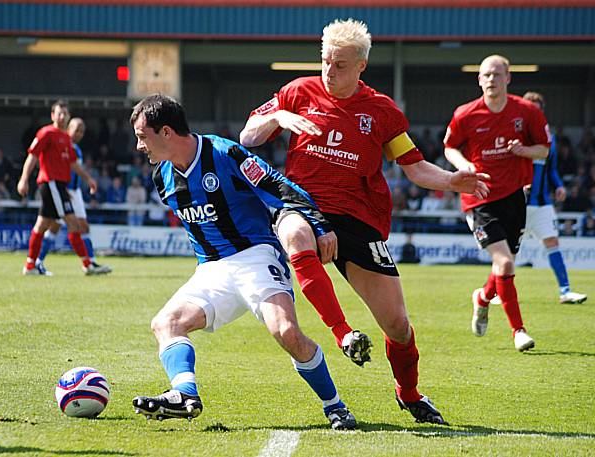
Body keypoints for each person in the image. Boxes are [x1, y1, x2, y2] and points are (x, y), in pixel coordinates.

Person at [240, 18, 488, 424]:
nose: (329, 72)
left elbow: (414, 167)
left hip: (359, 218)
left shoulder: (382, 112)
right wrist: (279, 119)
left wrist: (451, 180)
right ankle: (344, 334)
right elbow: (248, 136)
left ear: (361, 66)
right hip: (301, 204)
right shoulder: (297, 92)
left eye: (339, 65)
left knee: (399, 327)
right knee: (297, 232)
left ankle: (409, 393)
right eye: (324, 62)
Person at [129, 93, 356, 430]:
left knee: (287, 332)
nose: (138, 146)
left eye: (142, 136)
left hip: (255, 256)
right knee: (166, 323)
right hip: (211, 269)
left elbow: (278, 186)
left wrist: (320, 226)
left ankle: (335, 406)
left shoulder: (224, 153)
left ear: (166, 132)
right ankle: (184, 394)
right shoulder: (162, 178)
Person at [443, 55, 551, 351]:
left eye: (496, 74)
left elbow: (543, 151)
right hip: (479, 196)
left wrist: (523, 149)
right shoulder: (466, 114)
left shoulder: (526, 111)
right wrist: (465, 165)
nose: (491, 79)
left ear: (508, 78)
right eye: (485, 75)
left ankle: (482, 297)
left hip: (515, 195)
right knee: (504, 261)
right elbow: (449, 146)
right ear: (479, 80)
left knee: (505, 264)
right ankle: (518, 330)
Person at [17, 101, 110, 276]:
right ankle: (87, 264)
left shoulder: (66, 139)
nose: (62, 117)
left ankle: (30, 266)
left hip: (59, 186)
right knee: (72, 223)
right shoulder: (46, 133)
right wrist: (23, 179)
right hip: (52, 184)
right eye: (59, 113)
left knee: (44, 224)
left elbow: (73, 163)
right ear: (52, 115)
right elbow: (33, 156)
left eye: (65, 114)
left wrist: (88, 179)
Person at [520, 91, 586, 304]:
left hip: (542, 203)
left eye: (537, 110)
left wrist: (558, 186)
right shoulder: (515, 137)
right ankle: (492, 292)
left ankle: (565, 291)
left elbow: (552, 169)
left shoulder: (549, 139)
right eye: (530, 108)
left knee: (552, 241)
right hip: (516, 202)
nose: (534, 113)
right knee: (507, 253)